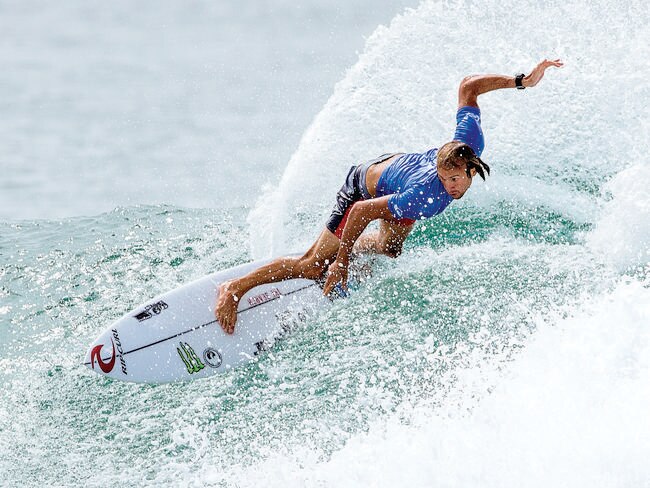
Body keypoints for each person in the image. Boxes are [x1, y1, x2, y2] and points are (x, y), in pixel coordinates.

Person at [215, 58, 564, 334]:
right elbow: (363, 211)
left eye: (456, 179)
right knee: (312, 266)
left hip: (397, 179)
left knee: (389, 250)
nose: (451, 187)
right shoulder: (425, 194)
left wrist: (523, 81)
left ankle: (339, 252)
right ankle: (236, 288)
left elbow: (468, 87)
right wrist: (342, 261)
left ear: (471, 166)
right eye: (445, 180)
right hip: (364, 187)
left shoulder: (468, 143)